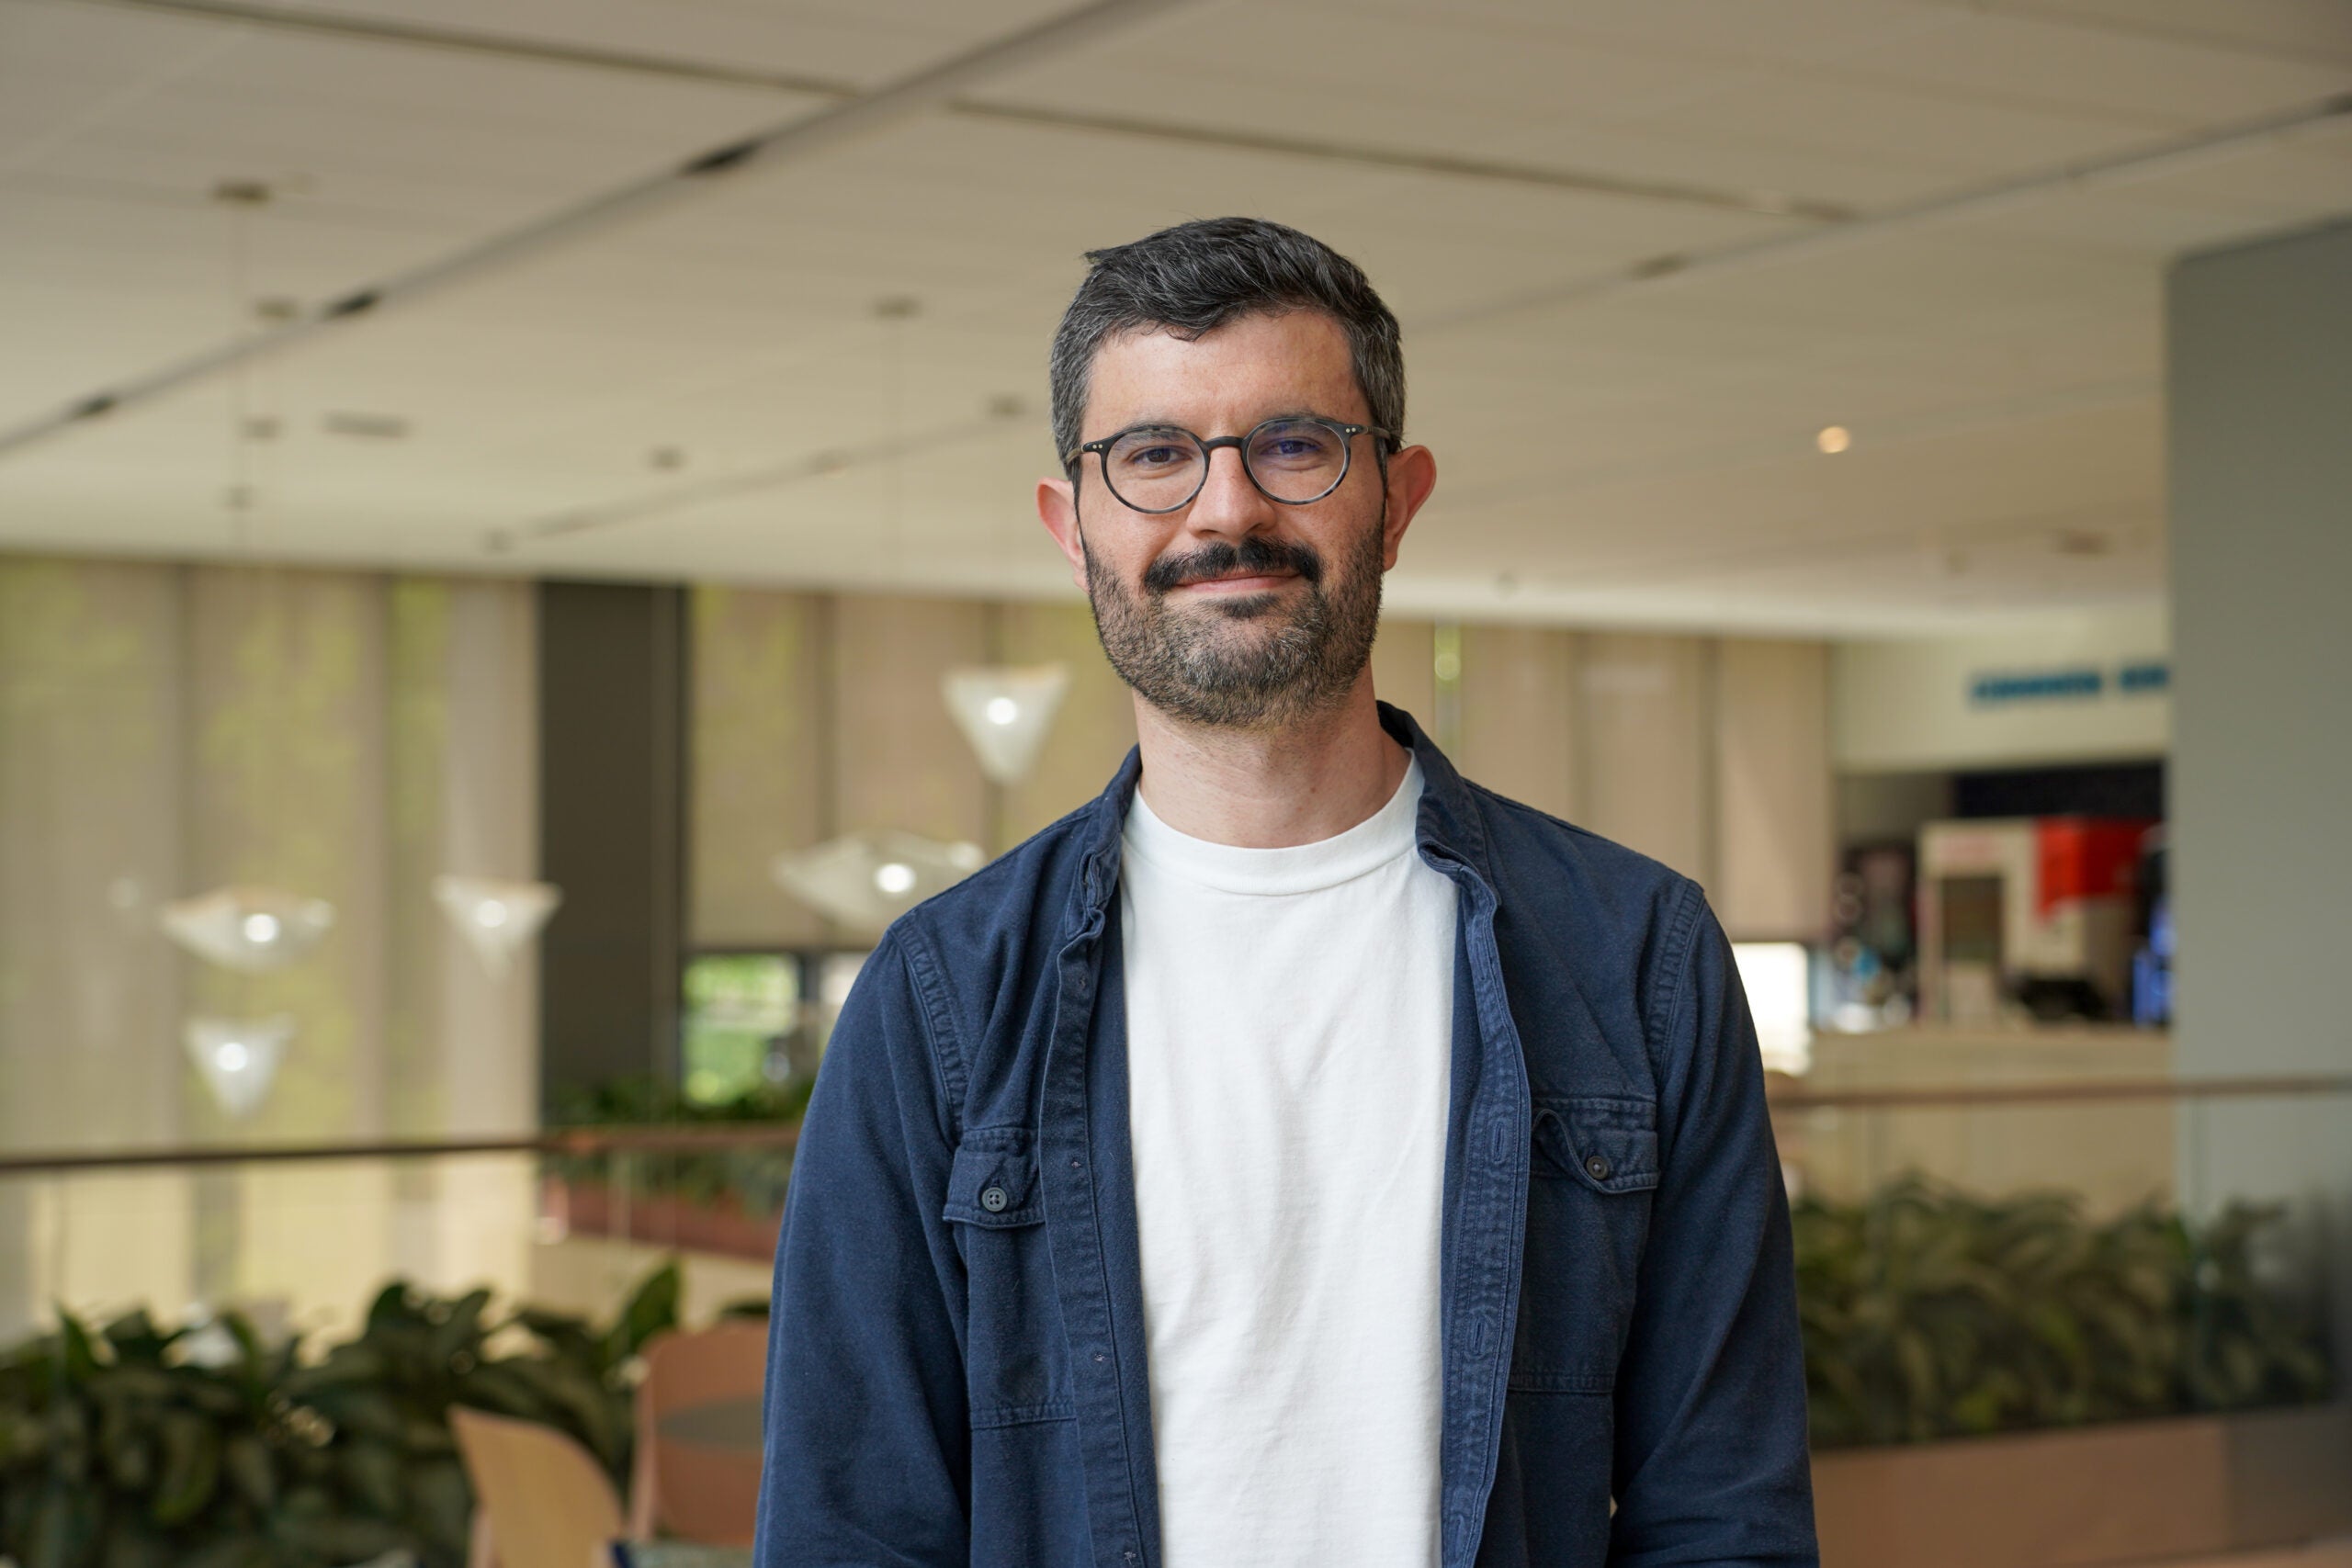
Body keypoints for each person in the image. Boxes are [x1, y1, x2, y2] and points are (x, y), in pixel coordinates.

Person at [753, 217, 1816, 1568]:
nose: (1226, 509)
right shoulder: (941, 994)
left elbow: (1724, 1513)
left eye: (1294, 444)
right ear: (1070, 524)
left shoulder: (1633, 954)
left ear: (1400, 497)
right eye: (1152, 456)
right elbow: (850, 1531)